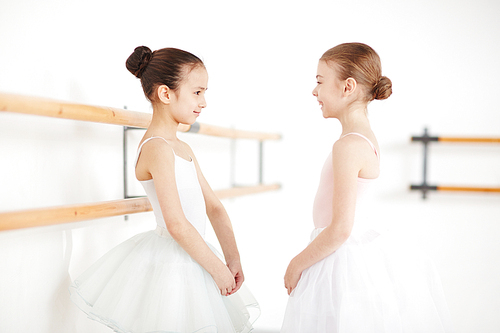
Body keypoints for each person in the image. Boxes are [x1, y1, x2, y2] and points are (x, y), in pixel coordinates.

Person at [69, 46, 259, 333]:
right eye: (197, 92)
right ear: (165, 94)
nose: (204, 101)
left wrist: (232, 258)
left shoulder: (182, 147)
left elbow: (215, 208)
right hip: (174, 263)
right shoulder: (157, 148)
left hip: (197, 256)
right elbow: (176, 224)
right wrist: (217, 268)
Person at [281, 43, 453, 332]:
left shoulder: (348, 145)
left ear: (347, 87)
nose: (314, 92)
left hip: (339, 259)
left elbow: (340, 229)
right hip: (342, 254)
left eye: (320, 82)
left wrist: (296, 264)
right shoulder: (360, 137)